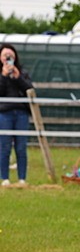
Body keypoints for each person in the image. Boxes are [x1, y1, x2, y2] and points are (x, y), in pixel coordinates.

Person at [0, 44, 33, 187]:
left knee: (21, 147)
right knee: (4, 146)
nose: (8, 58)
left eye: (11, 55)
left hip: (21, 113)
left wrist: (18, 77)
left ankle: (22, 179)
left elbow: (29, 89)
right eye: (5, 55)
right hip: (4, 113)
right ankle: (5, 178)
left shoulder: (23, 72)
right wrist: (3, 76)